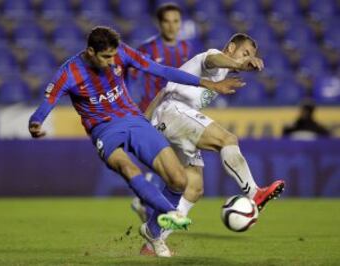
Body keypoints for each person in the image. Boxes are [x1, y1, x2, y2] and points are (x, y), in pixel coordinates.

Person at [28, 26, 245, 253]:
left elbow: (161, 70)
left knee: (179, 180)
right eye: (106, 57)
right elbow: (47, 102)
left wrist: (207, 83)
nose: (112, 62)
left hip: (134, 120)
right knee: (127, 167)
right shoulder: (70, 72)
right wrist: (36, 121)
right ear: (91, 52)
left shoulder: (121, 52)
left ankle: (152, 232)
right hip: (104, 130)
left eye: (114, 55)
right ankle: (170, 212)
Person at [134, 33, 286, 257]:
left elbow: (164, 90)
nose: (247, 59)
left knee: (193, 188)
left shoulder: (223, 73)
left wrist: (145, 121)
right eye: (245, 53)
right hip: (174, 112)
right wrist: (238, 63)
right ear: (231, 47)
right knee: (227, 140)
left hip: (170, 117)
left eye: (250, 56)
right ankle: (254, 193)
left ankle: (154, 237)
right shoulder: (213, 57)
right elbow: (213, 59)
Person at [128, 3, 194, 112]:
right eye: (166, 21)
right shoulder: (147, 48)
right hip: (151, 110)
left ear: (181, 23)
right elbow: (132, 78)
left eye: (175, 21)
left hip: (180, 110)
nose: (171, 27)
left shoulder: (188, 48)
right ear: (159, 23)